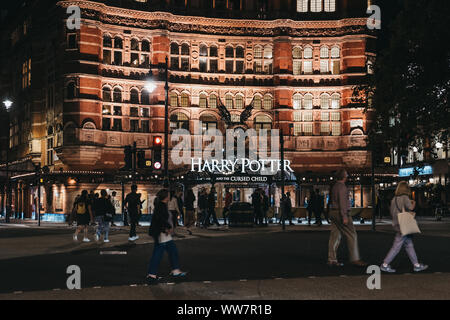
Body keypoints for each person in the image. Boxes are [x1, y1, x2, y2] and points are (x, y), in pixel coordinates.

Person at [380, 181, 428, 273]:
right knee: (396, 246)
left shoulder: (394, 199)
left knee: (409, 245)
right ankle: (385, 264)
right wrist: (413, 202)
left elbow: (391, 212)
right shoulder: (405, 197)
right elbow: (411, 208)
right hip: (403, 225)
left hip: (397, 224)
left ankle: (416, 265)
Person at [146, 189, 187, 285]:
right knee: (160, 253)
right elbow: (159, 219)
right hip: (162, 233)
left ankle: (173, 271)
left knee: (170, 251)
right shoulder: (161, 206)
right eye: (169, 195)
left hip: (163, 233)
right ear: (166, 197)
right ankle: (153, 274)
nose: (170, 196)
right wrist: (167, 228)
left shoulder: (162, 205)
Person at [328, 169, 367, 267]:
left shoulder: (334, 186)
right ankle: (355, 258)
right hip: (340, 213)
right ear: (344, 176)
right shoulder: (342, 187)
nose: (348, 176)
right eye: (346, 175)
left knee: (335, 236)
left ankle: (331, 259)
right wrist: (344, 216)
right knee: (352, 235)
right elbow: (342, 202)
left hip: (333, 212)